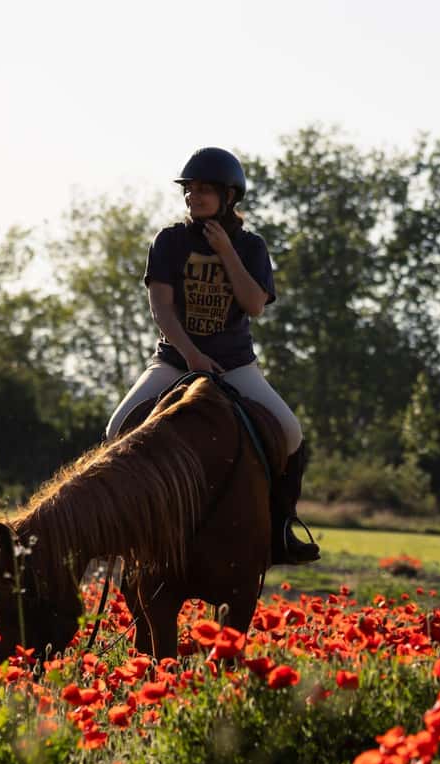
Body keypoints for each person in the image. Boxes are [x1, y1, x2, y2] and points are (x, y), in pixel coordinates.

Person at [106, 146, 320, 564]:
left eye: (204, 189)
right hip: (175, 362)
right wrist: (191, 355)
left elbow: (254, 305)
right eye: (189, 189)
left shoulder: (251, 246)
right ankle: (119, 524)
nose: (193, 197)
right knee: (117, 429)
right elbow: (161, 308)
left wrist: (226, 252)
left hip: (235, 365)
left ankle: (282, 529)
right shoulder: (169, 241)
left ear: (229, 195)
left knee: (291, 433)